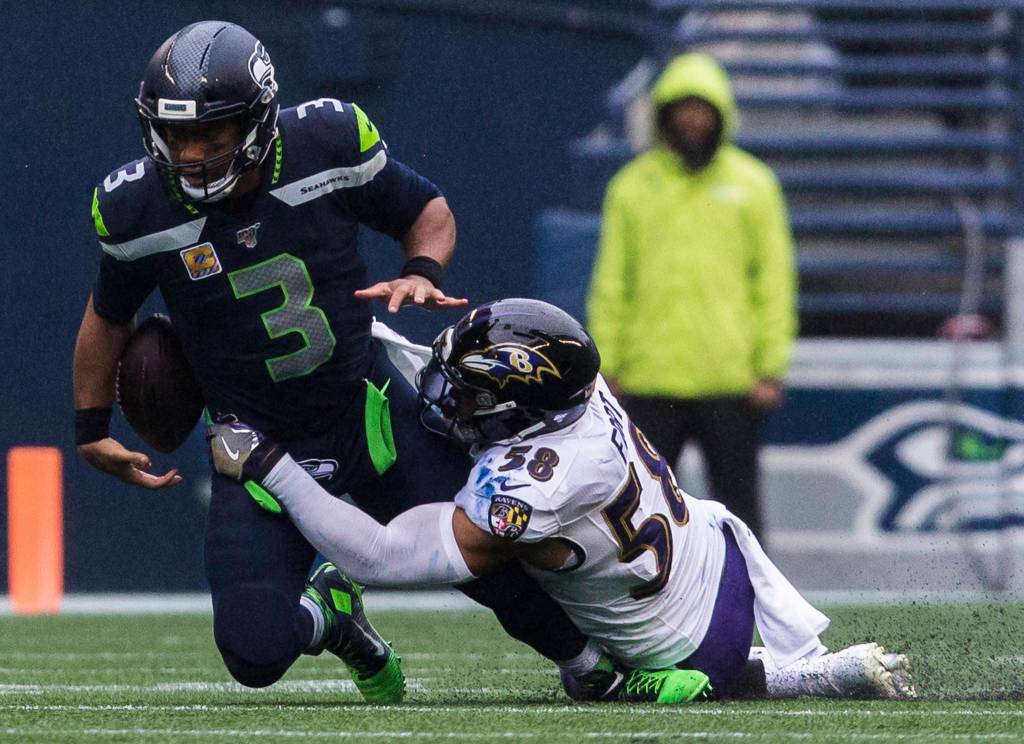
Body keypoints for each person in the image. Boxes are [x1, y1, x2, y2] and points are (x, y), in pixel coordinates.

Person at [72, 21, 595, 703]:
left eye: (213, 136)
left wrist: (420, 268)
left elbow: (426, 209)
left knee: (494, 562)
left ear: (259, 120)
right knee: (253, 651)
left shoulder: (325, 143)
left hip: (364, 409)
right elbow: (107, 319)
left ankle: (590, 663)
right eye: (178, 137)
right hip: (253, 446)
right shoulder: (138, 206)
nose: (193, 155)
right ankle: (334, 618)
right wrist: (89, 428)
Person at [206, 298, 915, 702]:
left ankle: (599, 675)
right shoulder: (576, 387)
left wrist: (269, 465)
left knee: (481, 558)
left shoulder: (536, 480)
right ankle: (822, 671)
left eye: (475, 397)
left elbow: (382, 554)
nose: (455, 403)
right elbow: (488, 377)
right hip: (714, 555)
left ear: (524, 413)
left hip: (676, 641)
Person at [587, 53, 797, 538]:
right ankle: (640, 604)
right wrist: (606, 363)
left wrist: (771, 365)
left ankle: (748, 603)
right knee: (638, 510)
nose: (692, 120)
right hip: (647, 377)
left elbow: (773, 283)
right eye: (682, 108)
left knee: (741, 507)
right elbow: (611, 283)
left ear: (721, 114)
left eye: (702, 109)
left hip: (730, 377)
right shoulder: (632, 187)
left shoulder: (754, 185)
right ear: (663, 114)